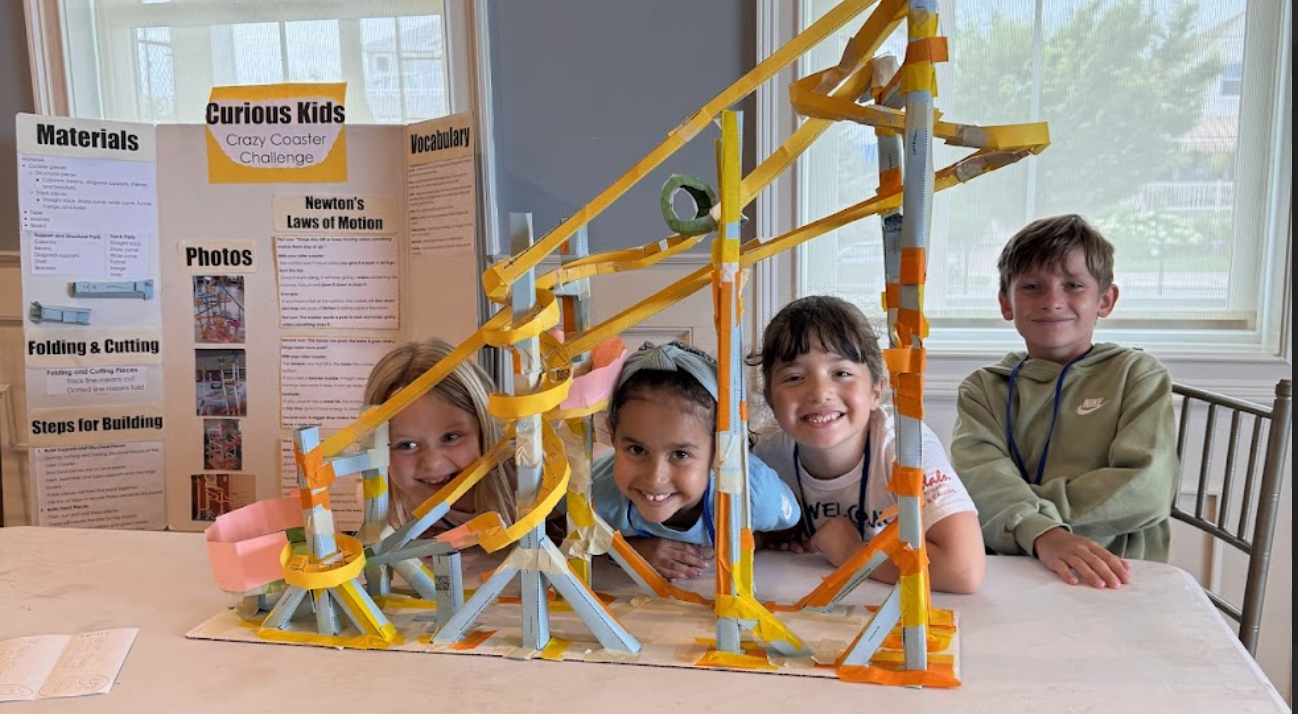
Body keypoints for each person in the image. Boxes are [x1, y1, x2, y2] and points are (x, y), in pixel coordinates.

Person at [951, 214, 1178, 589]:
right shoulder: (983, 389)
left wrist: (1029, 514)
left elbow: (1147, 490)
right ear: (1006, 304)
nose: (1052, 301)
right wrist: (1044, 533)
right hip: (1006, 573)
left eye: (1073, 285)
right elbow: (979, 481)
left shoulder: (1136, 375)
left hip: (1114, 577)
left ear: (1105, 300)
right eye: (1032, 286)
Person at [751, 295, 987, 594]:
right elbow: (725, 533)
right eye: (795, 377)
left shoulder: (906, 447)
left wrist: (852, 552)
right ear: (771, 399)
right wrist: (767, 538)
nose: (820, 392)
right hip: (809, 601)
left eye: (841, 373)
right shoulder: (767, 460)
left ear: (877, 390)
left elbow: (963, 570)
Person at [589, 341, 801, 581]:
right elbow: (555, 536)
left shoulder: (753, 496)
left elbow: (791, 528)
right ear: (613, 435)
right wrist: (627, 551)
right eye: (637, 449)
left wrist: (743, 542)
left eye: (680, 454)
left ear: (718, 450)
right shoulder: (592, 493)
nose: (655, 477)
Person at [363, 338, 515, 531]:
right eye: (406, 445)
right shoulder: (380, 507)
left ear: (485, 427)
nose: (433, 463)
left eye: (451, 437)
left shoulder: (530, 486)